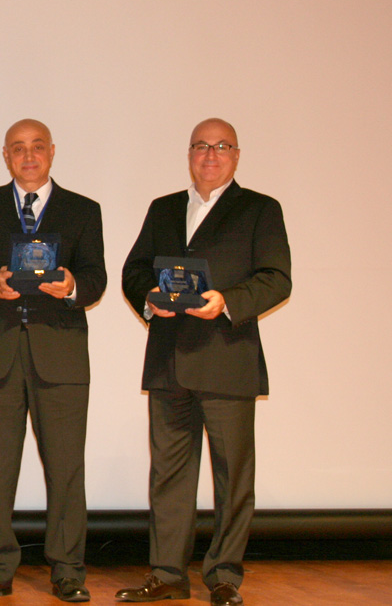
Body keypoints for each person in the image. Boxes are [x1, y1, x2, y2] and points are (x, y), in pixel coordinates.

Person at [119, 118, 291, 606]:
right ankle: (168, 575)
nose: (210, 155)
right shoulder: (164, 208)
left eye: (221, 146)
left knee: (232, 477)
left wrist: (227, 301)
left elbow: (277, 278)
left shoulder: (260, 209)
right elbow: (134, 269)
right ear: (189, 154)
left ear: (236, 155)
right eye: (200, 146)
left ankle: (224, 576)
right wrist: (149, 298)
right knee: (168, 476)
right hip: (168, 363)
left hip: (228, 362)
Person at [0, 119, 105, 602]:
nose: (28, 156)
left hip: (60, 355)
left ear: (52, 151)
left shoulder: (83, 209)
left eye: (37, 146)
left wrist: (73, 287)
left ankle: (68, 570)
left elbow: (97, 277)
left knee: (66, 470)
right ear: (5, 156)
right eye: (18, 148)